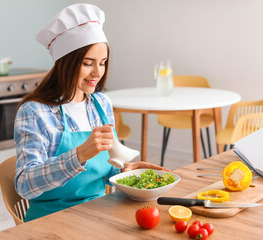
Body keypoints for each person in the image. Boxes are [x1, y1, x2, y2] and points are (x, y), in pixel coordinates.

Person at [14, 3, 166, 222]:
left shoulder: (100, 103)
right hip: (50, 220)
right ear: (65, 63)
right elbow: (25, 185)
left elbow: (102, 171)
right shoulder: (35, 111)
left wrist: (125, 172)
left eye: (103, 63)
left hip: (98, 214)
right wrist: (79, 154)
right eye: (88, 63)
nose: (97, 72)